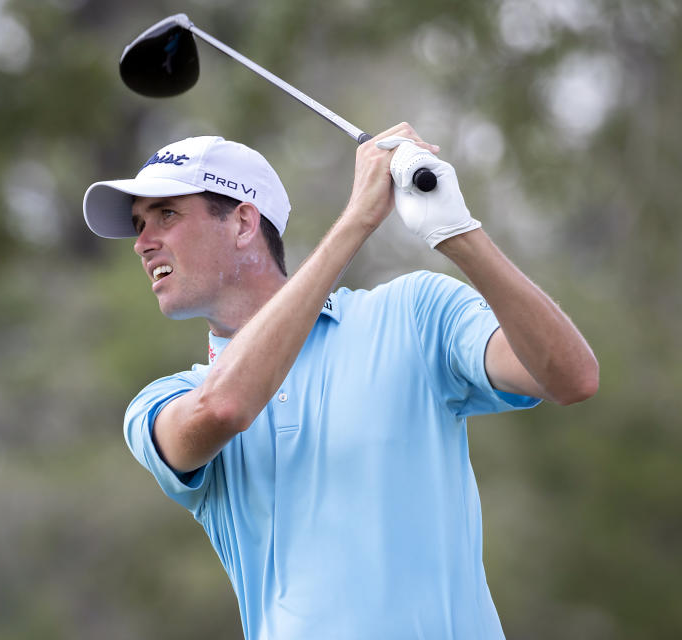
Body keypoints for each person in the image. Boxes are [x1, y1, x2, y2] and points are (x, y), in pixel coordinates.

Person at [82, 124, 598, 639]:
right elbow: (222, 409)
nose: (142, 244)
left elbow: (571, 377)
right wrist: (357, 221)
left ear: (243, 223)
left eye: (166, 215)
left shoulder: (413, 312)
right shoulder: (164, 401)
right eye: (138, 224)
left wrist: (459, 234)